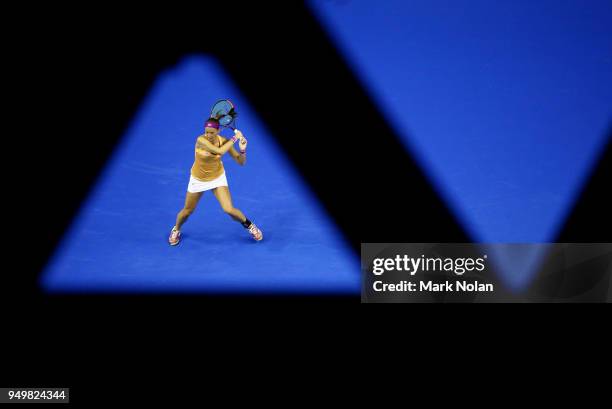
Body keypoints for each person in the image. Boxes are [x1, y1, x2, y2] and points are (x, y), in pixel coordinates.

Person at [168, 118, 263, 245]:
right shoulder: (200, 140)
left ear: (218, 130)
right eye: (206, 132)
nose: (208, 135)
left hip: (217, 177)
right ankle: (176, 229)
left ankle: (249, 225)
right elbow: (219, 151)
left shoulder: (224, 141)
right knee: (187, 211)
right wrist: (235, 138)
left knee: (229, 209)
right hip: (198, 179)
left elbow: (241, 162)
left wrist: (242, 150)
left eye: (211, 132)